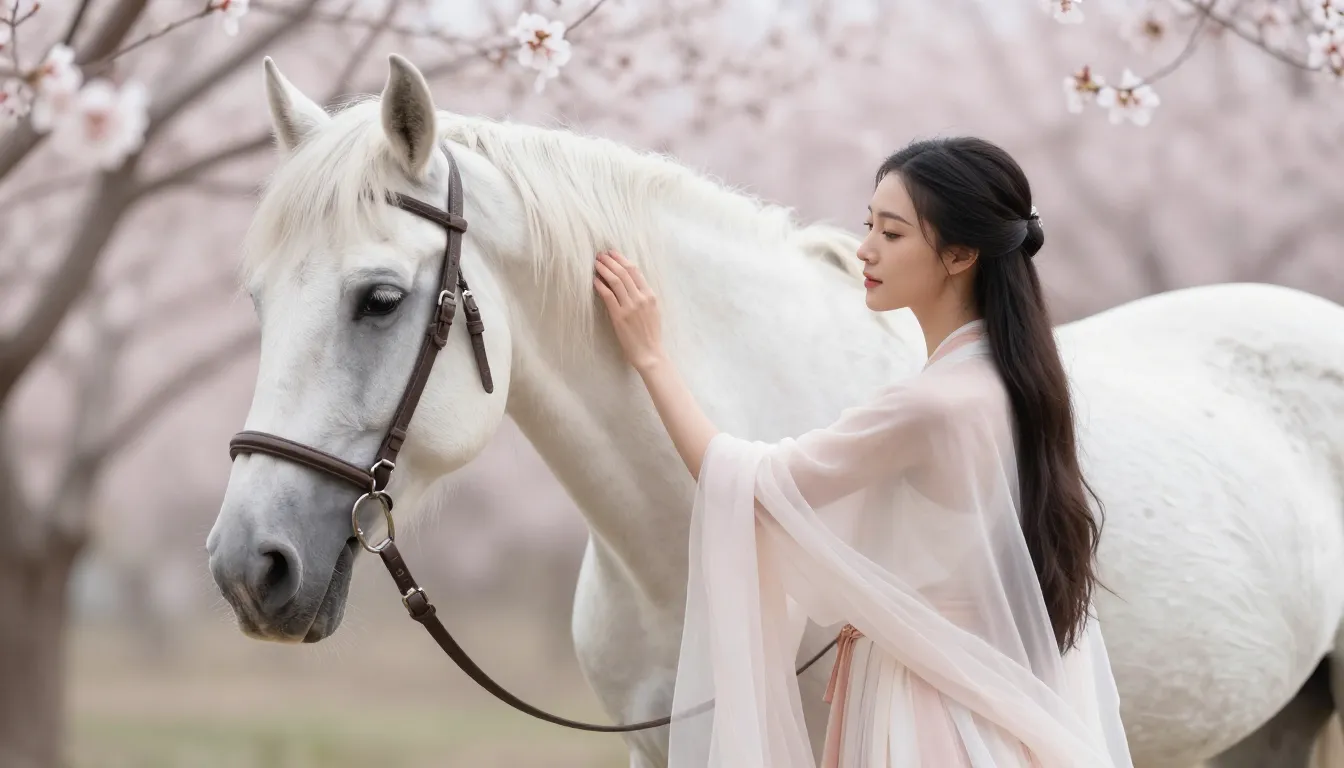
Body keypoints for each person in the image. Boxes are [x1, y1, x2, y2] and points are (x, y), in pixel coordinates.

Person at [592, 136, 1134, 767]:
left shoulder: (933, 404)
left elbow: (750, 483)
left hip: (926, 707)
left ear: (959, 254)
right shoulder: (1016, 379)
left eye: (894, 234)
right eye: (869, 225)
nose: (865, 250)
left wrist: (652, 356)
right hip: (993, 692)